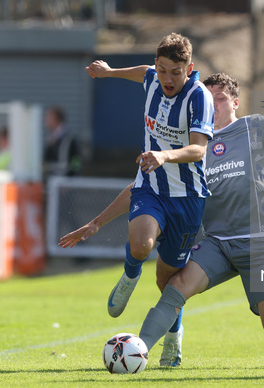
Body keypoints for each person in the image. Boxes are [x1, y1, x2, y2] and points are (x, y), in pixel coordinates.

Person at [59, 73, 264, 369]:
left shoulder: (253, 126)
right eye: (210, 99)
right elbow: (141, 187)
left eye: (221, 99)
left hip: (260, 242)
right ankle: (136, 353)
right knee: (175, 286)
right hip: (216, 243)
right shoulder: (190, 146)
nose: (215, 105)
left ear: (235, 102)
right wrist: (97, 222)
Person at [83, 33, 214, 367]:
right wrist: (110, 72)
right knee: (141, 245)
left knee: (168, 282)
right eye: (164, 70)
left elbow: (199, 149)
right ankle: (129, 275)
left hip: (187, 198)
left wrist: (165, 155)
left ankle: (174, 337)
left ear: (190, 69)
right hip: (151, 186)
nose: (168, 79)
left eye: (177, 72)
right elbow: (142, 71)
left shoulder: (199, 97)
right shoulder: (152, 78)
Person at [43, 106, 81, 177]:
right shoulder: (52, 139)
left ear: (55, 118)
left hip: (64, 184)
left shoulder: (68, 139)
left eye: (48, 117)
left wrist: (46, 167)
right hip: (55, 183)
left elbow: (73, 165)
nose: (45, 120)